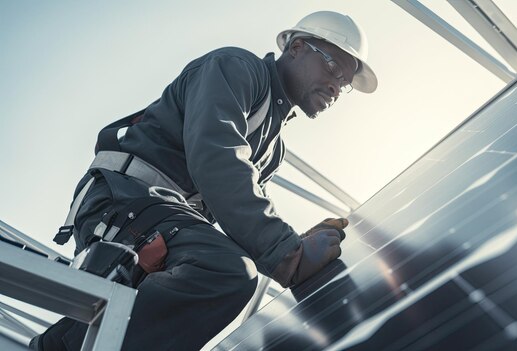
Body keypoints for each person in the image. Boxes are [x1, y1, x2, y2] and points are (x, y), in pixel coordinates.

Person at [31, 10, 377, 351]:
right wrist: (288, 254)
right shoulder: (237, 68)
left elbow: (236, 214)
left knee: (204, 279)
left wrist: (293, 243)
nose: (336, 85)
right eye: (332, 67)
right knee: (226, 273)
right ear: (297, 47)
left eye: (344, 83)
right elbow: (216, 158)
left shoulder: (274, 148)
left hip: (163, 220)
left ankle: (61, 344)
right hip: (123, 199)